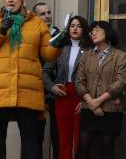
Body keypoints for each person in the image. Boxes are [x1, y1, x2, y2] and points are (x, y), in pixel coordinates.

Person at [0, 0, 62, 159]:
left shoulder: (37, 23)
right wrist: (1, 31)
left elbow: (48, 53)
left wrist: (59, 43)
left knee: (31, 142)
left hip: (27, 90)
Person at [75, 21, 126, 159]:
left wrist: (97, 101)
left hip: (110, 109)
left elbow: (120, 82)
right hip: (88, 107)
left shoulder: (121, 56)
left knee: (106, 148)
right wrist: (90, 102)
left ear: (107, 32)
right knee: (82, 147)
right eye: (92, 31)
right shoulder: (86, 56)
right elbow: (79, 81)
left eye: (97, 29)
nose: (93, 33)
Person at [44, 16, 91, 159]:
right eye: (72, 26)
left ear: (84, 29)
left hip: (81, 95)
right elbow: (44, 71)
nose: (75, 28)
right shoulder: (60, 48)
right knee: (63, 136)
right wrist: (51, 87)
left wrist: (86, 100)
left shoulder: (90, 49)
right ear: (68, 29)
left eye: (78, 26)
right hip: (62, 94)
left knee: (79, 136)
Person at [33, 2, 60, 159]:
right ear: (35, 17)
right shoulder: (31, 35)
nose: (47, 16)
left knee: (58, 136)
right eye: (42, 14)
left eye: (49, 12)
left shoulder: (60, 36)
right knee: (35, 137)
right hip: (36, 90)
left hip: (56, 91)